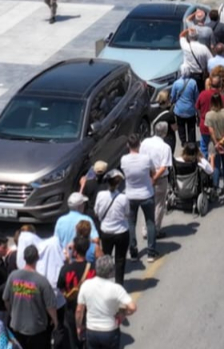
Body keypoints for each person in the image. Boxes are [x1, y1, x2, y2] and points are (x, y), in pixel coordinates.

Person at [3, 244, 58, 349]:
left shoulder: (13, 276)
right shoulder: (42, 281)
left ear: (24, 258)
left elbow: (6, 299)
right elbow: (50, 306)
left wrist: (12, 313)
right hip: (36, 329)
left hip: (17, 326)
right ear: (37, 258)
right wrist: (55, 321)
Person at [75, 256, 136, 349]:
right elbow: (132, 307)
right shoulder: (116, 288)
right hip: (110, 330)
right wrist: (123, 314)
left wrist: (79, 326)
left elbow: (79, 310)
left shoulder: (86, 285)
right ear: (111, 271)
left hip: (92, 330)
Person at [119, 134, 158, 263]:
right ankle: (151, 252)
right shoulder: (146, 159)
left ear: (128, 145)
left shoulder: (124, 160)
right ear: (139, 144)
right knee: (150, 222)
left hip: (130, 196)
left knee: (131, 224)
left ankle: (133, 251)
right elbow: (153, 172)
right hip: (146, 194)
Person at [56, 236, 95, 349]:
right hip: (89, 309)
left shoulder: (66, 269)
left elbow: (61, 287)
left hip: (71, 310)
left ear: (75, 251)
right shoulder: (93, 268)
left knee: (73, 340)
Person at [139, 124, 173, 236]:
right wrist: (154, 178)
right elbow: (163, 167)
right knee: (159, 205)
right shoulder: (165, 147)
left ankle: (145, 229)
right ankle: (155, 230)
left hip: (146, 177)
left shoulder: (145, 142)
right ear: (165, 133)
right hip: (159, 179)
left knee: (148, 205)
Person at [204, 94, 224, 196]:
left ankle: (216, 187)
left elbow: (211, 131)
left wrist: (217, 143)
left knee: (216, 166)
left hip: (214, 144)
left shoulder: (209, 115)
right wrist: (222, 141)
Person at [170, 71, 200, 146]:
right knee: (191, 128)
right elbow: (196, 97)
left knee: (181, 127)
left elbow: (172, 97)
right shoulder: (193, 82)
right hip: (191, 110)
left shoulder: (176, 83)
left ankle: (183, 142)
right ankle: (191, 143)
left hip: (179, 110)